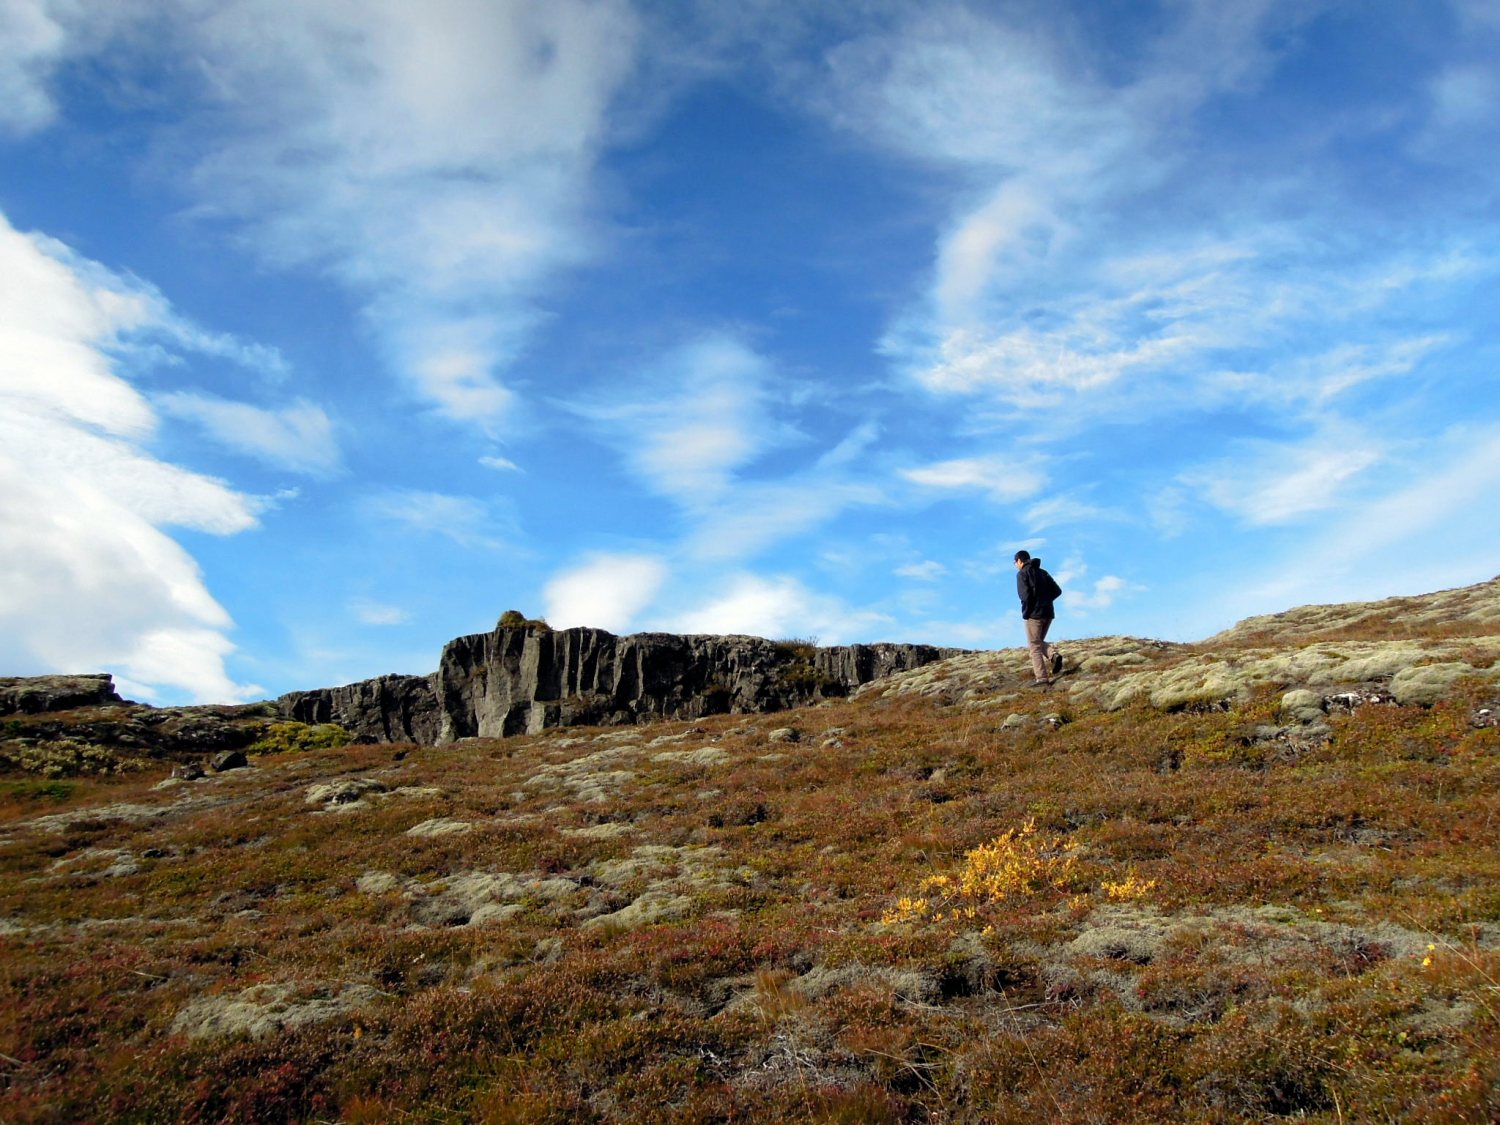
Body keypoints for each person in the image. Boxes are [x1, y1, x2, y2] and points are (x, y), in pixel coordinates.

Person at [1014, 550, 1064, 687]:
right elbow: (1057, 591)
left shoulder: (1022, 574)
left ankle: (1042, 679)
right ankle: (1053, 656)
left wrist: (1026, 613)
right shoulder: (1042, 572)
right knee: (1037, 642)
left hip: (1034, 615)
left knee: (1034, 646)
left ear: (1019, 561)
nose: (1015, 565)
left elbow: (1025, 597)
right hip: (1048, 613)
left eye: (1015, 562)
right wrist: (1045, 601)